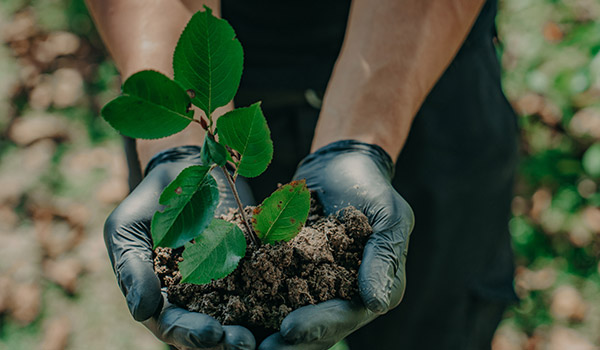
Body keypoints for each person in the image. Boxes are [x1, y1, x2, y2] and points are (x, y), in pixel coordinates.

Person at [86, 0, 519, 349]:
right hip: (225, 75)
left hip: (421, 63)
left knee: (436, 327)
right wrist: (177, 150)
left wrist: (358, 145)